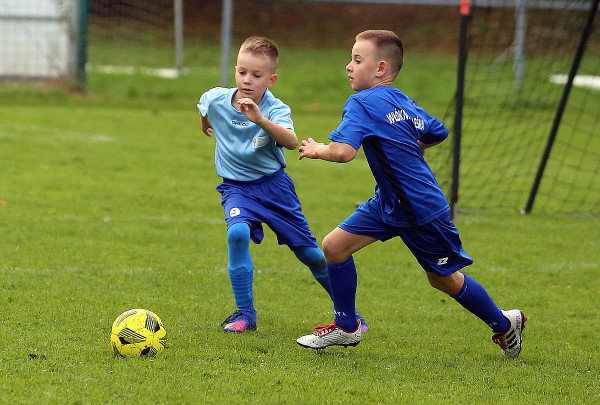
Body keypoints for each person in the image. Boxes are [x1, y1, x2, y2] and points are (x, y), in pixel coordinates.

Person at [295, 30, 526, 357]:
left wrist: (318, 149)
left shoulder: (361, 102)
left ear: (381, 68)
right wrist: (413, 147)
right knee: (334, 247)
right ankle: (346, 326)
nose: (348, 66)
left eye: (357, 60)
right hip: (389, 201)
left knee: (443, 279)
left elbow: (344, 152)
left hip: (419, 208)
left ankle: (504, 324)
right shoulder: (402, 101)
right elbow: (437, 131)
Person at [197, 36, 367, 333]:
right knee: (237, 234)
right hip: (236, 188)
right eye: (242, 72)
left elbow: (290, 141)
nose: (247, 80)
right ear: (235, 70)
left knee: (311, 256)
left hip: (275, 188)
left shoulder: (276, 109)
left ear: (271, 79)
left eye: (256, 75)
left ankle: (350, 315)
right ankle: (245, 314)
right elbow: (204, 109)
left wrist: (260, 119)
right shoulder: (216, 99)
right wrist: (206, 125)